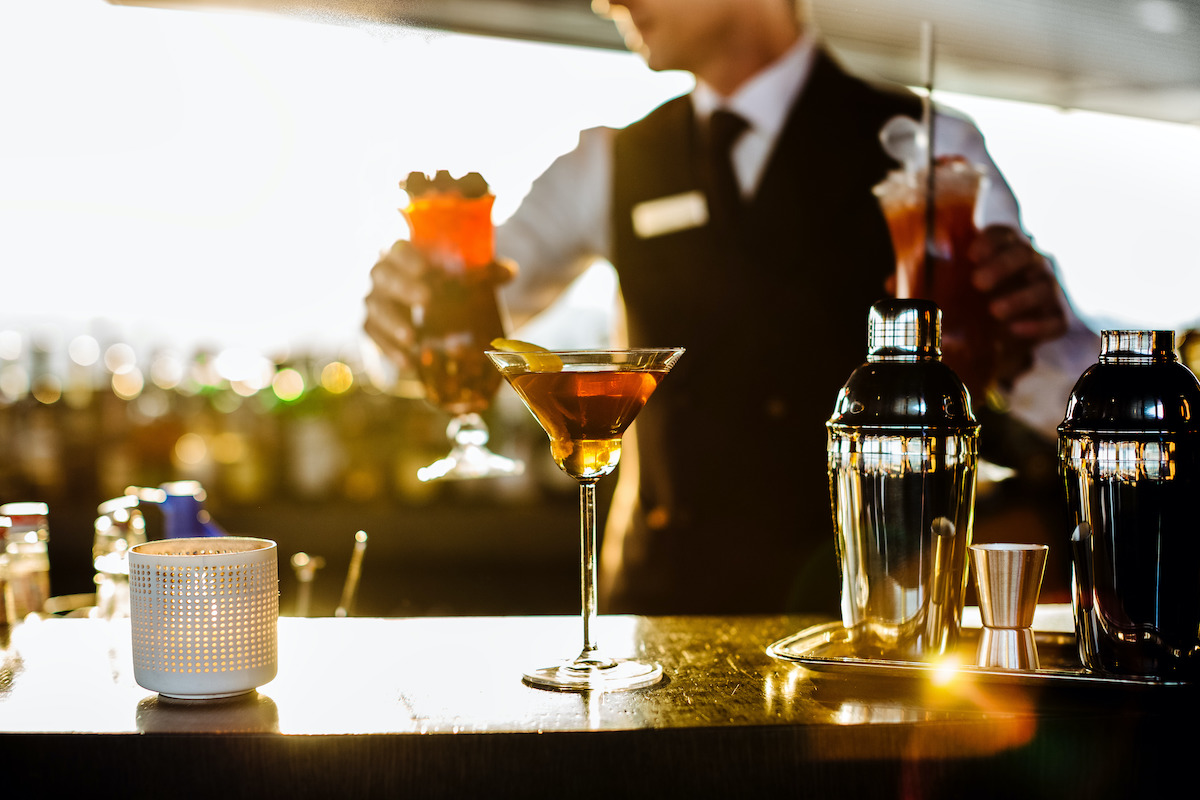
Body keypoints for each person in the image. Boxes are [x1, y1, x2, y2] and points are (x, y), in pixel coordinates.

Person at [364, 0, 1099, 615]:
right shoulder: (610, 162)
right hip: (656, 615)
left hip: (868, 621)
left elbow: (1067, 396)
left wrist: (1035, 332)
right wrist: (408, 321)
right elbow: (450, 331)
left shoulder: (928, 150)